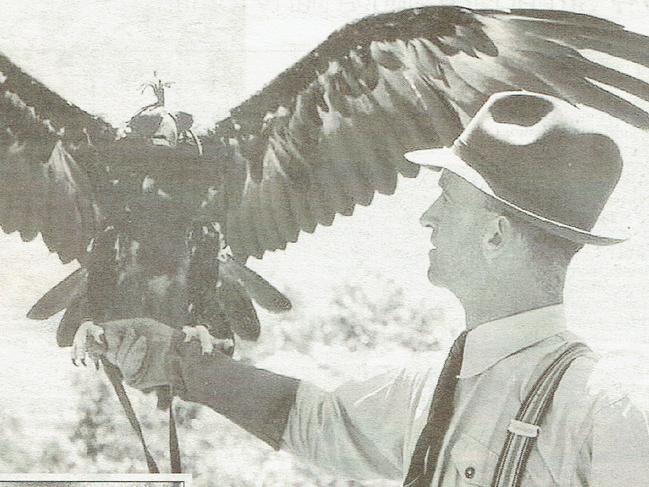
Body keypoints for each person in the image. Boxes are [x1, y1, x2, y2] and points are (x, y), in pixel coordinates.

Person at [90, 91, 649, 486]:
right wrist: (178, 363)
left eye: (447, 199)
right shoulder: (429, 392)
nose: (427, 218)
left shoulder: (615, 410)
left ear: (496, 233)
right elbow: (315, 421)